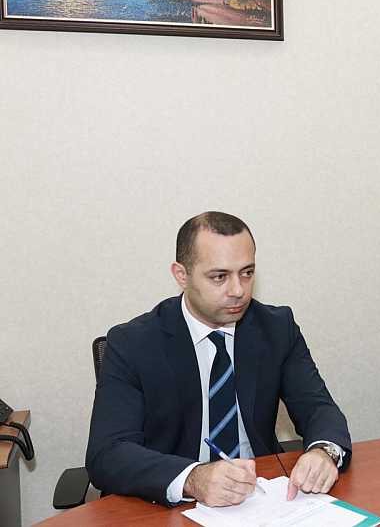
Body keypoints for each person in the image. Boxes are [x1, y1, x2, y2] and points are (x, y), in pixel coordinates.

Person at [86, 212, 351, 506]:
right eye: (219, 277)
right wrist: (192, 478)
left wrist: (324, 452)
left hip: (261, 498)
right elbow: (107, 453)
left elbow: (318, 408)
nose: (238, 290)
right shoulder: (133, 343)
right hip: (169, 505)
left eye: (247, 273)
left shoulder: (276, 328)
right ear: (181, 275)